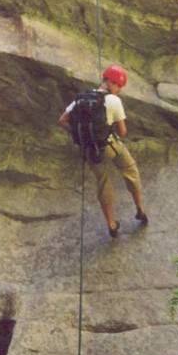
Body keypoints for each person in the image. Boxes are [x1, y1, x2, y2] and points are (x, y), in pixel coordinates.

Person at [58, 65, 148, 237]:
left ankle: (111, 225)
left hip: (89, 149)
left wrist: (79, 133)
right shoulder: (113, 100)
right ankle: (140, 210)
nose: (119, 90)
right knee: (130, 170)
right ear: (112, 83)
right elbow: (122, 132)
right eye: (119, 87)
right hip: (110, 145)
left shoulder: (80, 98)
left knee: (103, 182)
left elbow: (62, 120)